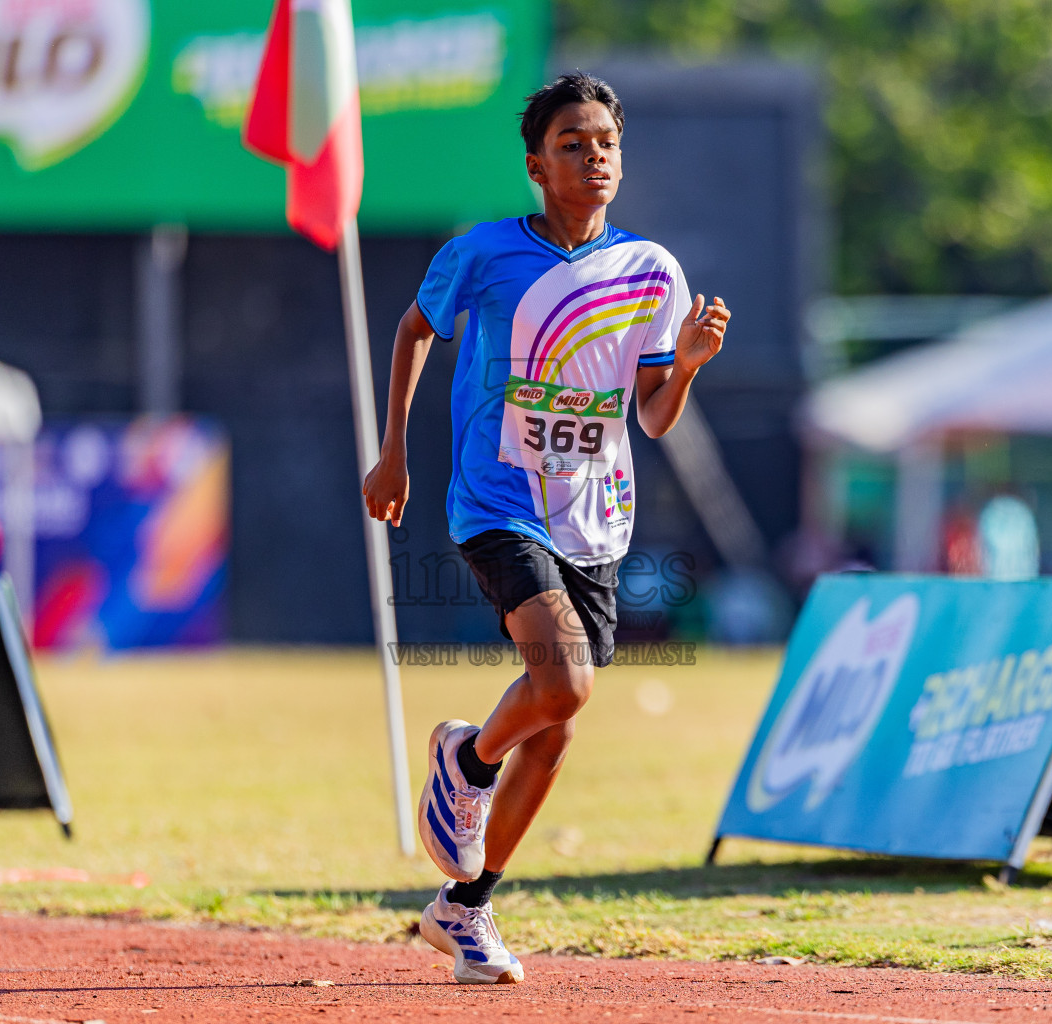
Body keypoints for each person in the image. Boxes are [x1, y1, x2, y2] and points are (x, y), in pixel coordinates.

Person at [361, 72, 730, 985]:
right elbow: (413, 330)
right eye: (573, 144)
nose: (594, 156)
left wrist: (685, 366)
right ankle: (468, 758)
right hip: (496, 503)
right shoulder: (483, 252)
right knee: (564, 681)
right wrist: (394, 452)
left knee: (558, 722)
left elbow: (653, 417)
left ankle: (465, 906)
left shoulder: (652, 271)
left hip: (595, 518)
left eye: (606, 142)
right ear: (536, 166)